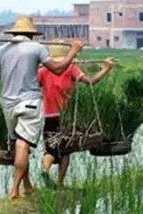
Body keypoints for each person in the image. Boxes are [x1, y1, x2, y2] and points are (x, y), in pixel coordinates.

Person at [0, 16, 84, 200]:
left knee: (20, 146)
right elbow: (57, 68)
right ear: (31, 35)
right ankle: (14, 189)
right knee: (23, 145)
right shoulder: (37, 48)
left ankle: (27, 186)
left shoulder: (0, 51)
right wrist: (73, 51)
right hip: (30, 104)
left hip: (8, 104)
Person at [38, 43, 115, 188]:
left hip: (49, 116)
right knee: (67, 150)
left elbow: (32, 86)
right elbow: (91, 82)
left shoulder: (43, 71)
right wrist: (106, 68)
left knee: (50, 149)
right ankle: (60, 183)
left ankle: (45, 170)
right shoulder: (71, 68)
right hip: (67, 117)